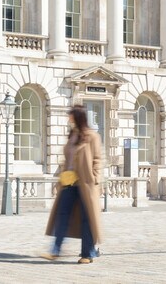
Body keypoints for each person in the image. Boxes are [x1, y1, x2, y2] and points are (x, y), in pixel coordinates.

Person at [43, 105, 103, 264]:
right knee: (61, 217)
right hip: (68, 183)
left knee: (87, 218)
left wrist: (95, 178)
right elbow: (67, 160)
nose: (68, 119)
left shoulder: (92, 137)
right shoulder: (72, 136)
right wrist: (60, 178)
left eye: (70, 116)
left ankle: (87, 254)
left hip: (85, 183)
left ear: (78, 117)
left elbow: (97, 159)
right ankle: (55, 250)